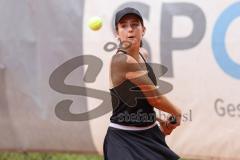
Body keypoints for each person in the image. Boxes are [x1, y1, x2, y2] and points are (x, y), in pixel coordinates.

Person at [104, 7, 182, 160]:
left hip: (149, 135)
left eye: (135, 24)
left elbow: (143, 98)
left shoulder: (143, 54)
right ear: (117, 33)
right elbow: (155, 98)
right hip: (123, 139)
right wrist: (177, 113)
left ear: (143, 30)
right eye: (124, 26)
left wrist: (158, 120)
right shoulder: (121, 60)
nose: (130, 29)